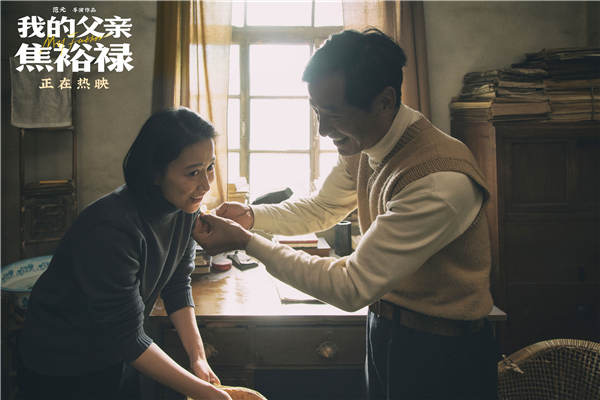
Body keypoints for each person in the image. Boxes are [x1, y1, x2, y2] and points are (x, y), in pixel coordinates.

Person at [193, 28, 499, 400]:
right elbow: (322, 207)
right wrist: (251, 217)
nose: (323, 130)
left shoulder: (438, 180)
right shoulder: (365, 144)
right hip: (385, 328)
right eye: (317, 111)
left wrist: (247, 242)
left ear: (385, 102)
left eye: (334, 114)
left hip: (440, 352)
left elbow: (351, 286)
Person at [18, 108, 232, 400]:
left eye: (210, 167)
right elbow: (128, 339)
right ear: (155, 173)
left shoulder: (185, 209)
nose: (206, 185)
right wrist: (205, 393)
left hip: (114, 351)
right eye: (193, 172)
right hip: (60, 362)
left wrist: (198, 358)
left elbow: (177, 284)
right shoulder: (111, 228)